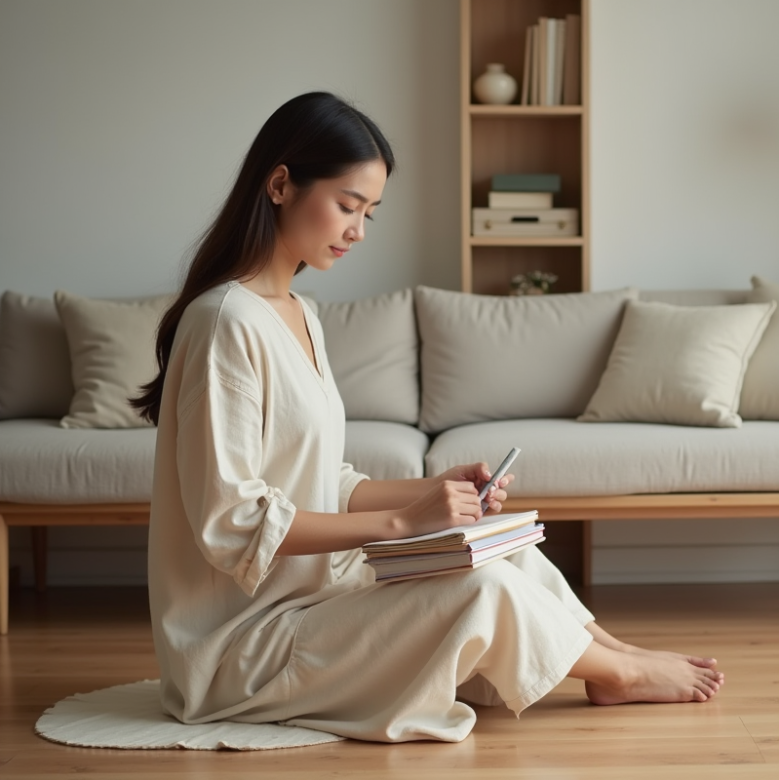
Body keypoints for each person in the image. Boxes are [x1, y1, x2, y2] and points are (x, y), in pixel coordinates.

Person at [132, 92, 723, 743]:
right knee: (482, 589)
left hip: (314, 600)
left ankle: (616, 658)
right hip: (243, 647)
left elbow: (325, 481)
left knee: (504, 552)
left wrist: (440, 491)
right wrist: (401, 523)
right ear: (280, 184)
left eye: (370, 213)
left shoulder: (301, 314)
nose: (358, 230)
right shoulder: (223, 322)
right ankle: (622, 674)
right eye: (347, 206)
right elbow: (231, 519)